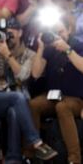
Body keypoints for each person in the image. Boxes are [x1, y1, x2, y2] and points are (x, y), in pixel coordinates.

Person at [0, 17, 57, 163]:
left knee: (15, 109)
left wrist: (7, 55)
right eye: (6, 33)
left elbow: (22, 76)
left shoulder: (29, 54)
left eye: (11, 33)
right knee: (18, 98)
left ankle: (13, 159)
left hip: (18, 102)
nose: (8, 37)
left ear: (20, 33)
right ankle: (36, 142)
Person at [30, 18, 83, 164]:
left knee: (63, 107)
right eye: (55, 32)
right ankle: (32, 153)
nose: (58, 36)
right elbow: (35, 74)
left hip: (76, 99)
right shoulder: (49, 49)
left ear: (69, 30)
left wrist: (67, 49)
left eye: (61, 32)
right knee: (33, 105)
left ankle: (75, 159)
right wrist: (40, 48)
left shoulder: (78, 46)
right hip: (53, 96)